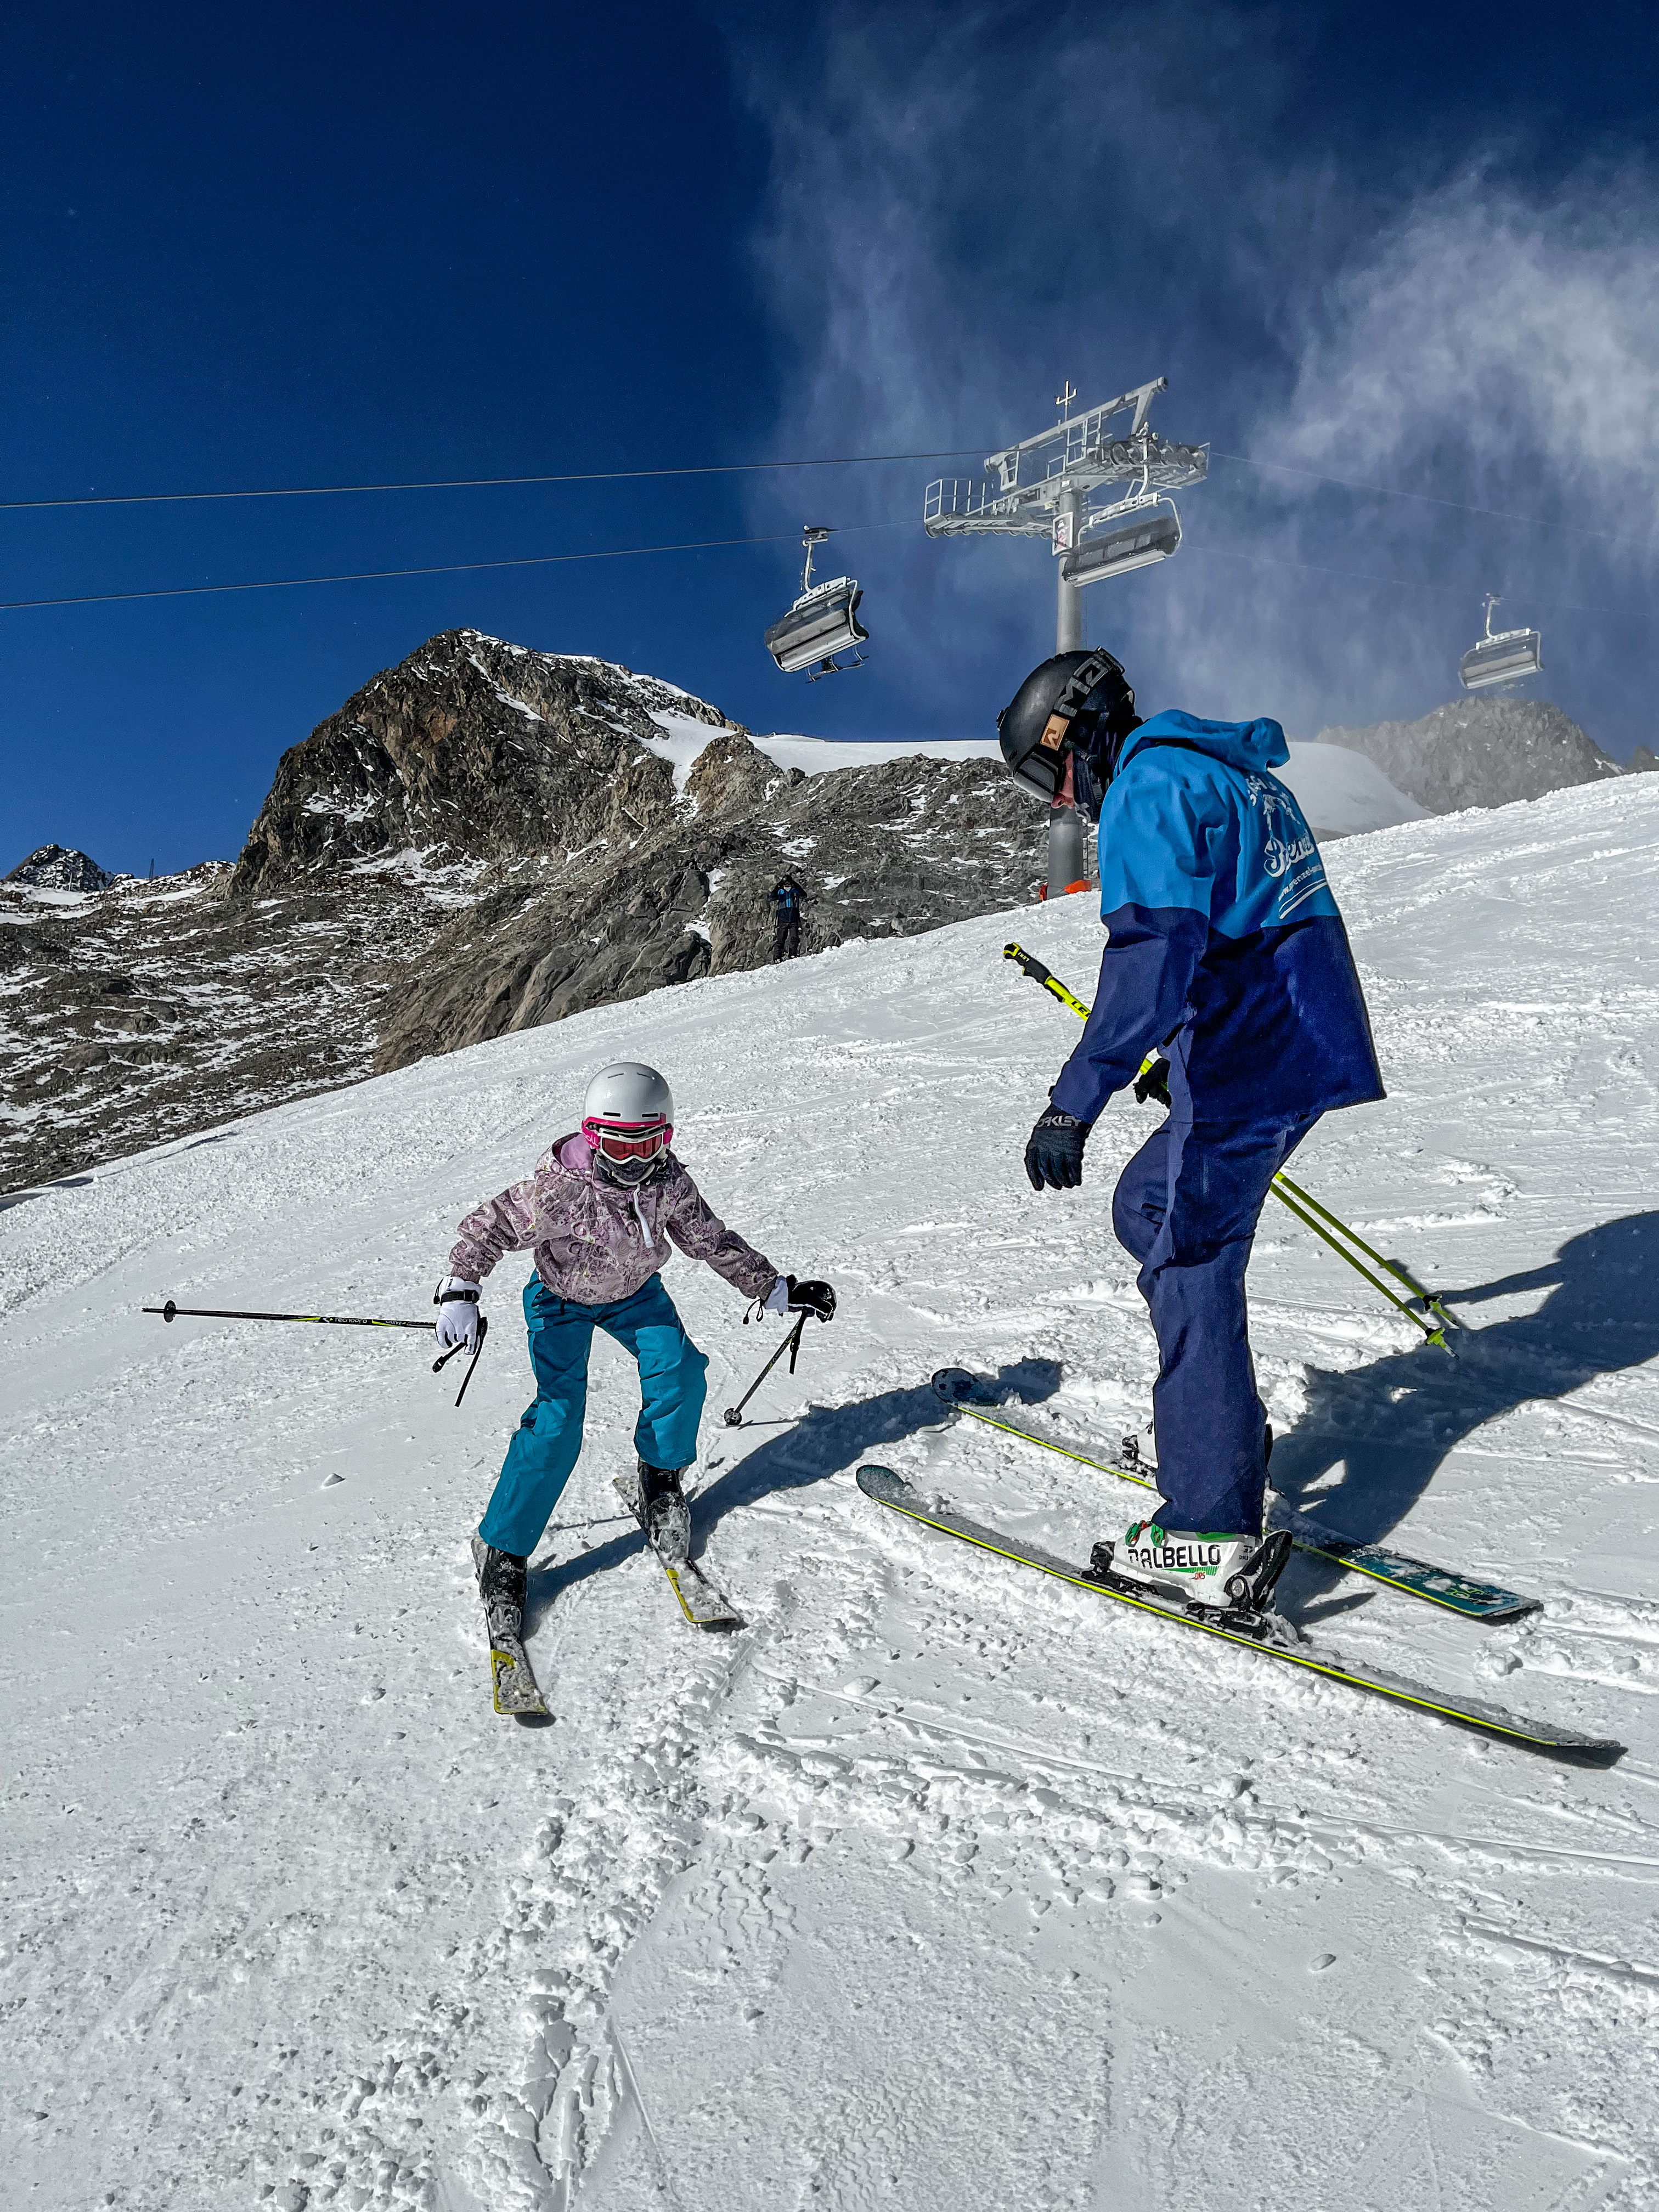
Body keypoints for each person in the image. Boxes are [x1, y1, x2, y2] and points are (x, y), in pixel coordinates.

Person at [998, 649, 1384, 1615]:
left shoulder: (1146, 785)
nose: (1064, 800)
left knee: (1189, 1261)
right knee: (1150, 1204)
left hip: (1258, 1055)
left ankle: (1207, 1527)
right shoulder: (1225, 774)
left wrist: (1071, 1102)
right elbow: (1238, 922)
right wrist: (1182, 1056)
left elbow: (1151, 952)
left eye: (1049, 774)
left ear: (1072, 731)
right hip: (1284, 1039)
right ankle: (1219, 1423)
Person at [434, 1060, 834, 1707]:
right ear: (592, 1136)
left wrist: (773, 1287)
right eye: (618, 1144)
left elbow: (709, 1239)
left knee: (681, 1371)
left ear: (667, 1138)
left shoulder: (668, 1183)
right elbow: (490, 1226)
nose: (634, 1159)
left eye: (649, 1143)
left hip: (635, 1295)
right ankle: (503, 1547)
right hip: (559, 1300)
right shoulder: (558, 1187)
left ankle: (660, 1481)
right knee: (559, 1421)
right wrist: (461, 1290)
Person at [769, 874, 807, 961]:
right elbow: (771, 897)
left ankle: (793, 955)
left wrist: (796, 885)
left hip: (794, 918)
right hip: (783, 919)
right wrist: (777, 887)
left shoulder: (795, 891)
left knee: (794, 938)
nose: (787, 886)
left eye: (789, 884)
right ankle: (777, 958)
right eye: (785, 885)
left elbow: (804, 895)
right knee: (781, 940)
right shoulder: (780, 892)